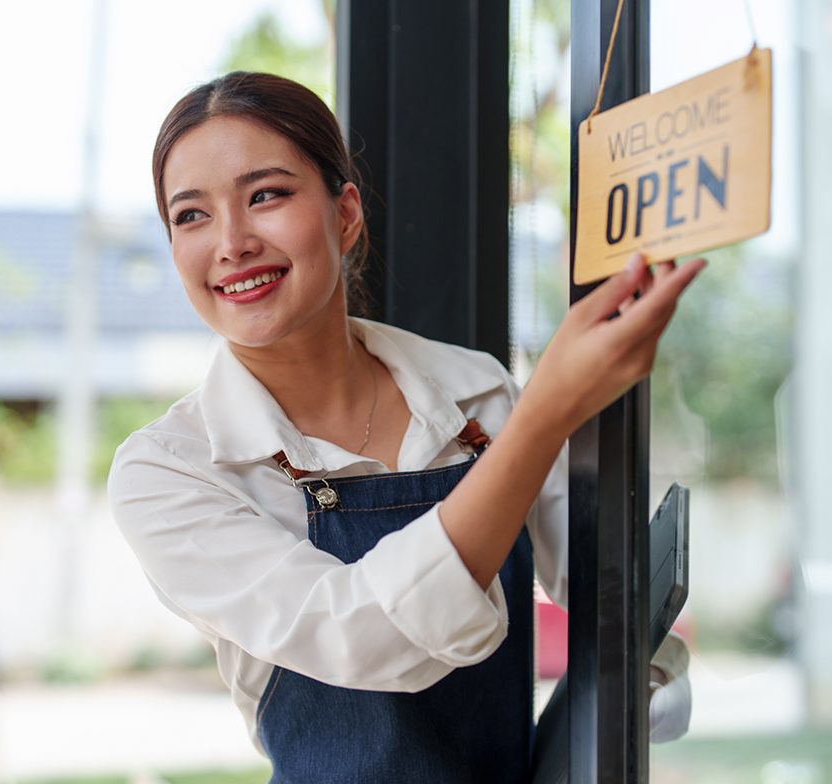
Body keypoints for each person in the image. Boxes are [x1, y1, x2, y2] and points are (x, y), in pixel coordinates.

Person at [108, 71, 703, 783]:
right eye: (192, 216)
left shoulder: (472, 389)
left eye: (265, 195)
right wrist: (546, 413)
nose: (232, 242)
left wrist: (650, 668)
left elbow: (594, 576)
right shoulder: (170, 471)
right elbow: (363, 633)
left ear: (346, 213)